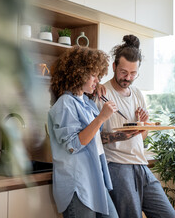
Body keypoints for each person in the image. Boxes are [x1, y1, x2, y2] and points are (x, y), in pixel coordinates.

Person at [96, 35, 175, 218]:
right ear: (114, 67)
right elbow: (93, 137)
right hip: (117, 166)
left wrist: (142, 127)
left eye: (133, 74)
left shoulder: (138, 94)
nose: (128, 78)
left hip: (141, 165)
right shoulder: (101, 93)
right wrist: (120, 136)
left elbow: (141, 138)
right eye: (124, 72)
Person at [47, 45, 120, 218]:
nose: (97, 80)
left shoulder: (86, 103)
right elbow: (73, 145)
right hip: (78, 184)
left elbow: (94, 139)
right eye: (93, 75)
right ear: (78, 73)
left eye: (98, 75)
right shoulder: (65, 103)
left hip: (94, 179)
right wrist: (101, 118)